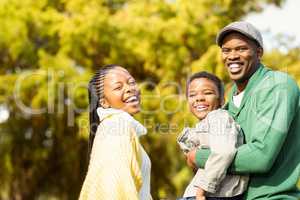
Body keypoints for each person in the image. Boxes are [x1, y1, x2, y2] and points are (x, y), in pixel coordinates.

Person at [187, 21, 300, 199]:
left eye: (241, 49)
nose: (232, 56)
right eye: (226, 50)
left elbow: (261, 156)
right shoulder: (229, 101)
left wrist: (198, 157)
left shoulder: (278, 85)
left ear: (259, 52)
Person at [79, 64, 152, 200]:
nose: (130, 89)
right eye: (118, 87)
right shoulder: (117, 127)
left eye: (131, 82)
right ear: (104, 102)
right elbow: (116, 189)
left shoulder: (118, 127)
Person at [177, 72, 247, 200]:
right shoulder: (206, 123)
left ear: (221, 100)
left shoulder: (219, 117)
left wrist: (201, 191)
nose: (199, 98)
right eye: (192, 95)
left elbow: (223, 152)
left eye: (208, 93)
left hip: (213, 194)